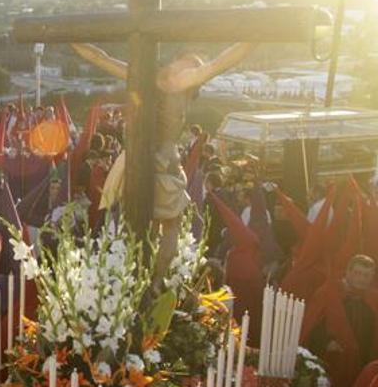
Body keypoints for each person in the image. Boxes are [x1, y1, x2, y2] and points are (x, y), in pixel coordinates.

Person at [71, 42, 254, 282]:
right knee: (167, 225)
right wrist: (252, 39)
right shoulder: (180, 81)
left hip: (137, 159)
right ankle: (155, 283)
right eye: (191, 63)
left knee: (142, 226)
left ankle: (139, 280)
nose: (192, 70)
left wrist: (72, 40)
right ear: (181, 61)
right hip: (161, 163)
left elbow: (100, 58)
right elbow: (219, 64)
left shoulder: (144, 75)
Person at [303, 255, 378, 387]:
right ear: (348, 272)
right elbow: (310, 326)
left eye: (367, 275)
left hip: (361, 365)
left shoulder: (373, 299)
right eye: (358, 273)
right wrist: (326, 342)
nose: (362, 279)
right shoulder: (327, 293)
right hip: (331, 363)